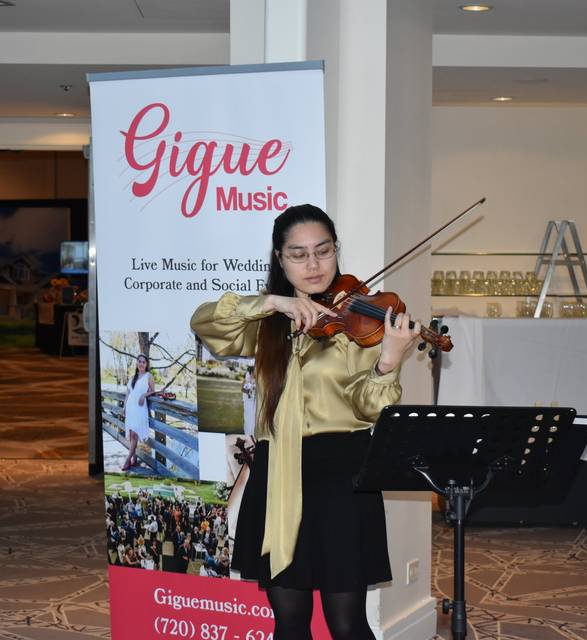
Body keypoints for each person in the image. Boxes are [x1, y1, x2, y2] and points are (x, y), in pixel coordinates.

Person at [191, 204, 420, 640]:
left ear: (336, 251)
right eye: (298, 254)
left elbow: (371, 408)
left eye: (323, 250)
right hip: (279, 474)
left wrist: (389, 358)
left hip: (342, 476)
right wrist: (271, 302)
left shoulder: (359, 320)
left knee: (347, 624)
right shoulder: (266, 323)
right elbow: (205, 322)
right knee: (290, 621)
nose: (313, 265)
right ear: (280, 258)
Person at [122, 354, 155, 470]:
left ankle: (127, 459)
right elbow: (128, 393)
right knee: (131, 434)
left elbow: (153, 391)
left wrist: (143, 395)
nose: (141, 364)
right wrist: (124, 407)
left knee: (135, 434)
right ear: (137, 363)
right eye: (139, 361)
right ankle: (134, 457)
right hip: (131, 409)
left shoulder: (148, 376)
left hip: (140, 409)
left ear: (146, 364)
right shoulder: (133, 377)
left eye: (143, 362)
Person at [242, 366, 257, 437]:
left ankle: (254, 432)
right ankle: (248, 432)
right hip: (248, 401)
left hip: (255, 401)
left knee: (254, 416)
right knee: (248, 416)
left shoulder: (258, 381)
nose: (255, 373)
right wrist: (248, 391)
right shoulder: (246, 380)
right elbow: (242, 389)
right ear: (251, 372)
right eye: (254, 372)